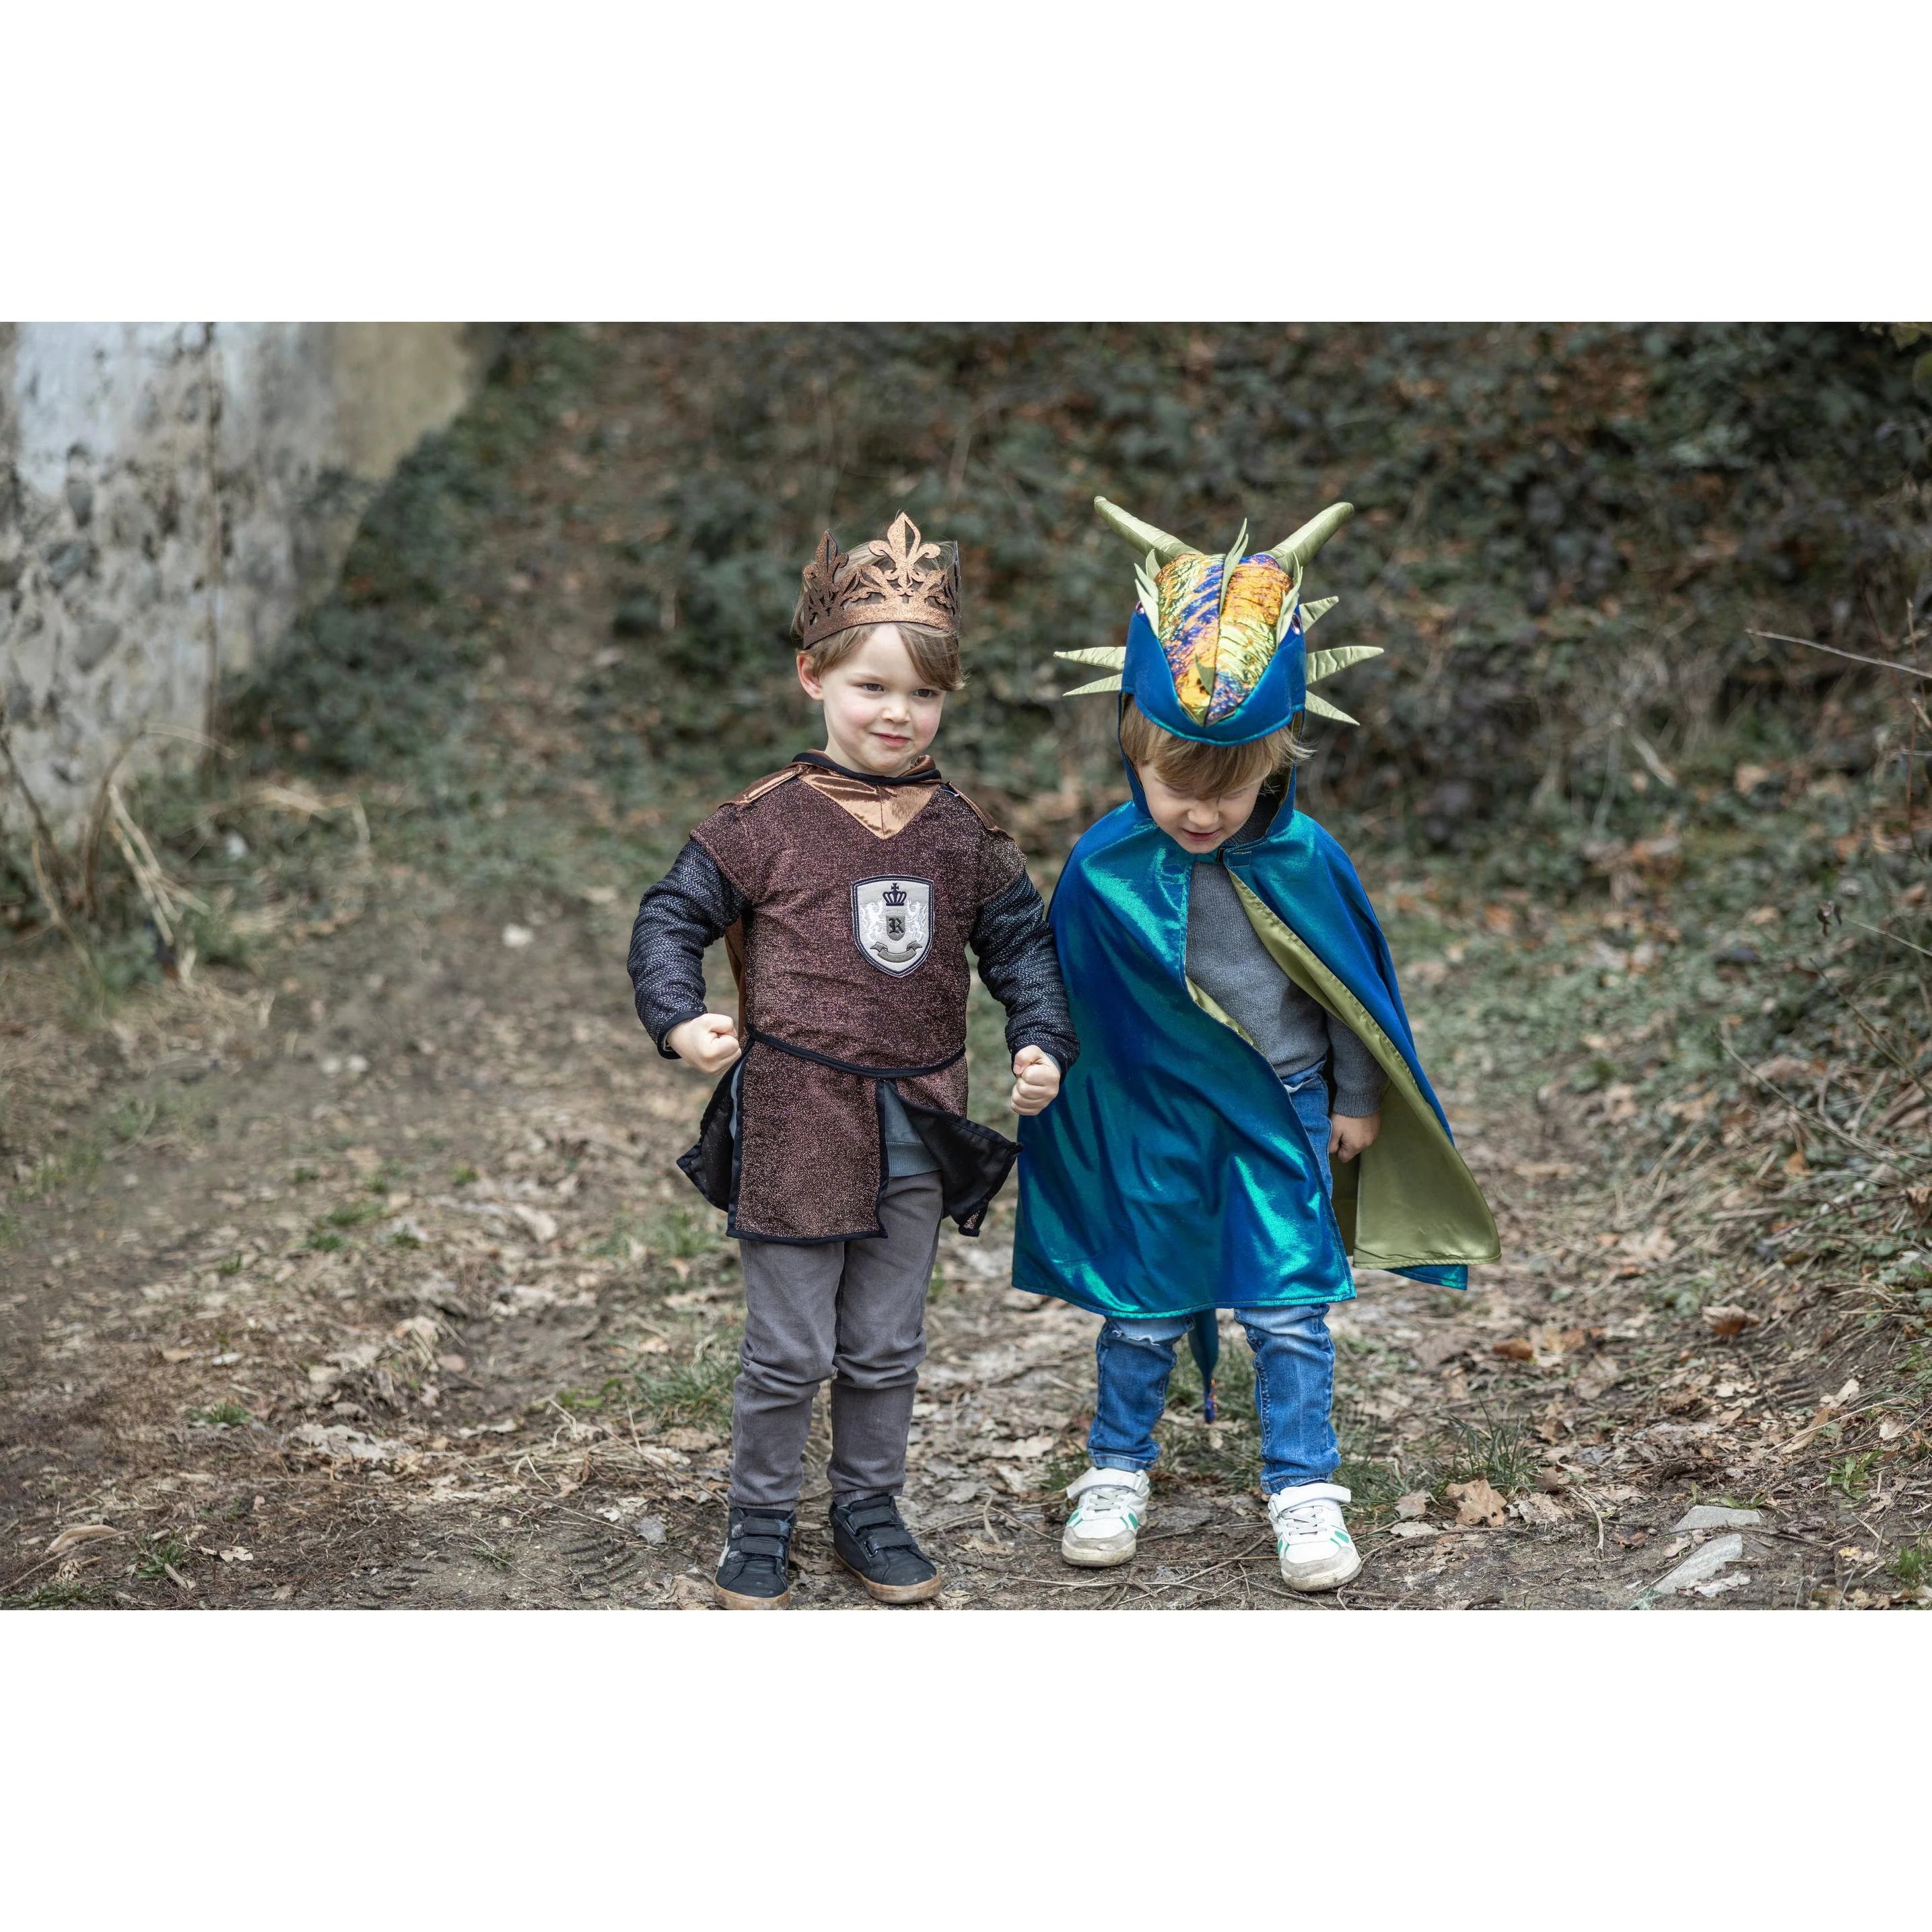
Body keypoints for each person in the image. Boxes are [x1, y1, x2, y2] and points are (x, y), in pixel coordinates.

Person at [1014, 495, 1499, 1591]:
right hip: (1150, 1119)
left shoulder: (1304, 857)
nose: (1201, 812)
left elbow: (1348, 992)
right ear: (1131, 751)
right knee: (1142, 1304)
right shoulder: (1101, 865)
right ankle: (1115, 1469)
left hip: (1280, 1106)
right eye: (1176, 787)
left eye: (1229, 789)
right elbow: (1063, 989)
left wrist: (1356, 1094)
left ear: (1274, 762)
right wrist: (1044, 1059)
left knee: (1287, 1307)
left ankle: (1304, 1488)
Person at [628, 512, 1077, 1610]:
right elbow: (669, 918)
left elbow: (1022, 947)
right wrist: (680, 1018)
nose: (896, 712)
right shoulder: (762, 824)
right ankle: (760, 1519)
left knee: (883, 1344)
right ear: (813, 677)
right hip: (795, 1120)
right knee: (789, 1349)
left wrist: (1039, 1038)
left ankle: (868, 1508)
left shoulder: (961, 833)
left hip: (920, 1119)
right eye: (871, 686)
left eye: (922, 693)